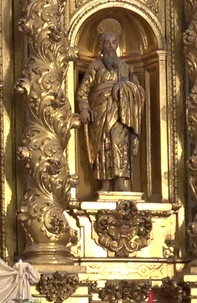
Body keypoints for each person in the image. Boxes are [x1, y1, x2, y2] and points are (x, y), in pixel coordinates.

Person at [77, 19, 144, 193]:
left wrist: (122, 87)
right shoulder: (95, 66)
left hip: (122, 113)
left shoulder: (125, 68)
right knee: (103, 146)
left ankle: (121, 182)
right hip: (100, 114)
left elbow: (139, 90)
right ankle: (105, 184)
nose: (110, 46)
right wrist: (84, 108)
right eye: (107, 43)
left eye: (114, 42)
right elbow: (83, 91)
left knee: (120, 145)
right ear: (101, 46)